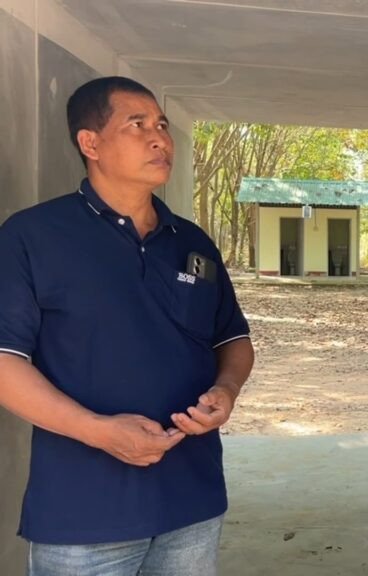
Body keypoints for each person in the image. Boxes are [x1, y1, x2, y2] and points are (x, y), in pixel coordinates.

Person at [0, 76, 254, 575]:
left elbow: (234, 340)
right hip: (83, 513)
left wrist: (226, 390)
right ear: (90, 143)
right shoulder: (32, 237)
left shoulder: (192, 243)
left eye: (162, 124)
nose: (159, 138)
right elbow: (5, 362)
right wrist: (98, 431)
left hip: (192, 500)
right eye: (137, 125)